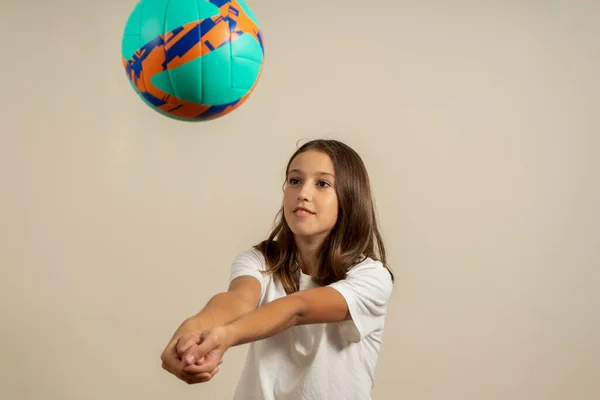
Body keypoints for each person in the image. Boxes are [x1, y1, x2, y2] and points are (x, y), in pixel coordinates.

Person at [160, 139, 395, 399]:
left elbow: (298, 309)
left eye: (323, 184)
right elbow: (237, 300)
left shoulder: (371, 277)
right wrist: (189, 332)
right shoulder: (260, 260)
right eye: (295, 180)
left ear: (349, 198)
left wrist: (226, 336)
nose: (303, 193)